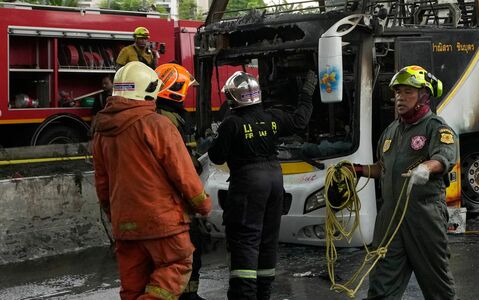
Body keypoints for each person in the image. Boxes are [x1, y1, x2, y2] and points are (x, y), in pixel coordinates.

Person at [93, 61, 212, 300]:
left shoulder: (101, 132)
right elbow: (183, 173)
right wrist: (203, 205)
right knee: (177, 264)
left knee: (133, 288)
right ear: (148, 90)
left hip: (125, 226)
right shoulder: (158, 125)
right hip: (163, 222)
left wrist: (114, 214)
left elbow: (102, 184)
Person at [348, 65, 457, 300]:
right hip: (390, 219)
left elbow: (444, 157)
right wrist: (358, 170)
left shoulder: (436, 127)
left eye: (408, 92)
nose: (400, 97)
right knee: (381, 285)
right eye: (398, 92)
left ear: (423, 96)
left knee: (438, 286)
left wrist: (426, 168)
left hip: (424, 217)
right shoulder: (390, 131)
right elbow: (383, 168)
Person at [208, 70, 316, 299]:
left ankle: (244, 295)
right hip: (275, 179)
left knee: (246, 238)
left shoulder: (231, 123)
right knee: (268, 237)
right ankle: (263, 292)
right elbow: (300, 121)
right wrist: (307, 92)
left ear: (232, 98)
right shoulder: (273, 117)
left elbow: (216, 157)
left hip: (248, 182)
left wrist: (215, 138)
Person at [154, 63, 206, 300]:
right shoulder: (167, 120)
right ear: (174, 90)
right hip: (172, 201)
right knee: (190, 246)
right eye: (185, 89)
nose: (187, 95)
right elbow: (178, 164)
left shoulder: (160, 116)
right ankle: (187, 296)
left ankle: (187, 294)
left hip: (161, 201)